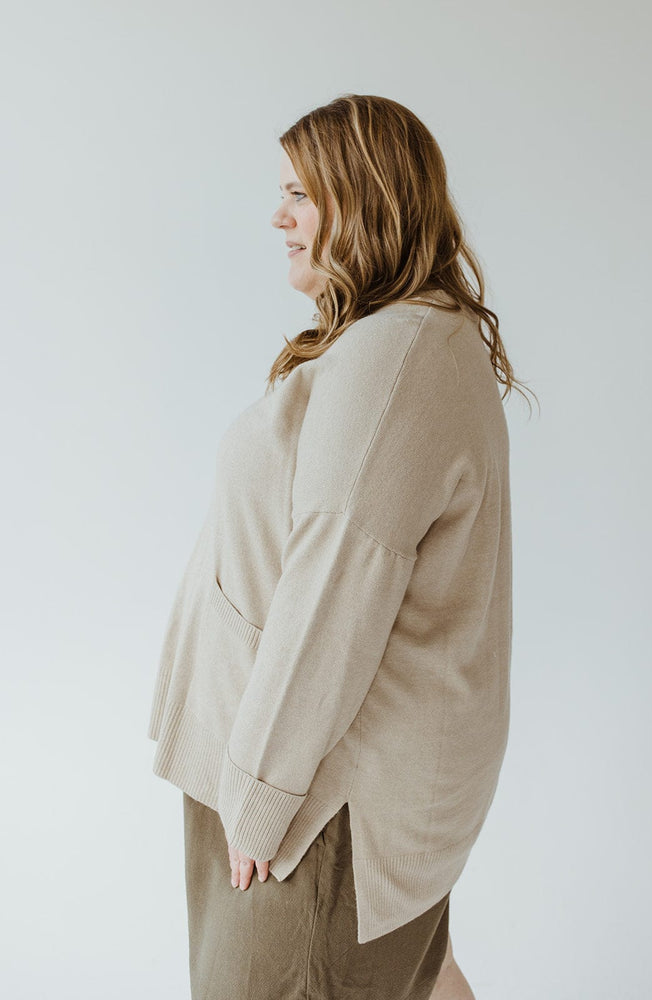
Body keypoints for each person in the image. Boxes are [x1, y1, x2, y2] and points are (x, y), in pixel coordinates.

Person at [147, 93, 535, 1000]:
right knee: (423, 979)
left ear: (364, 197)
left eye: (300, 194)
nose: (278, 217)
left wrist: (258, 798)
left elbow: (338, 586)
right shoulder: (411, 340)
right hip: (320, 773)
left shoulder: (391, 358)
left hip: (311, 796)